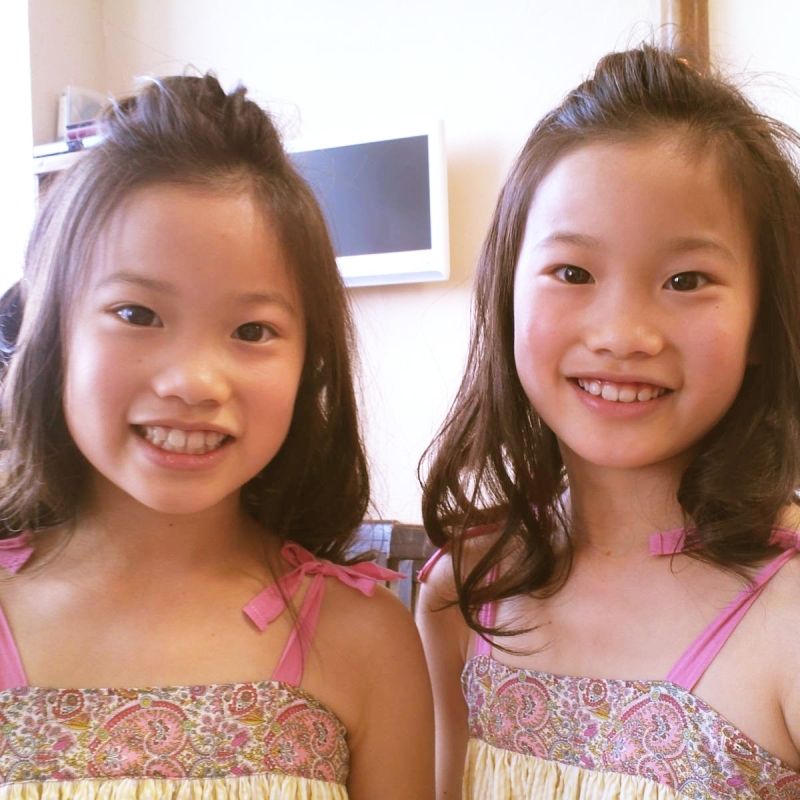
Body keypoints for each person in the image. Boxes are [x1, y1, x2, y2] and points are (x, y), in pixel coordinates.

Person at [0, 74, 433, 799]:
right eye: (137, 315)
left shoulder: (366, 639)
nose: (195, 382)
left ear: (310, 363)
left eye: (252, 330)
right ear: (54, 333)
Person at [417, 45, 800, 799]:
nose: (623, 334)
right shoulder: (466, 588)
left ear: (764, 318)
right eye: (573, 272)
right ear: (507, 293)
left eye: (686, 279)